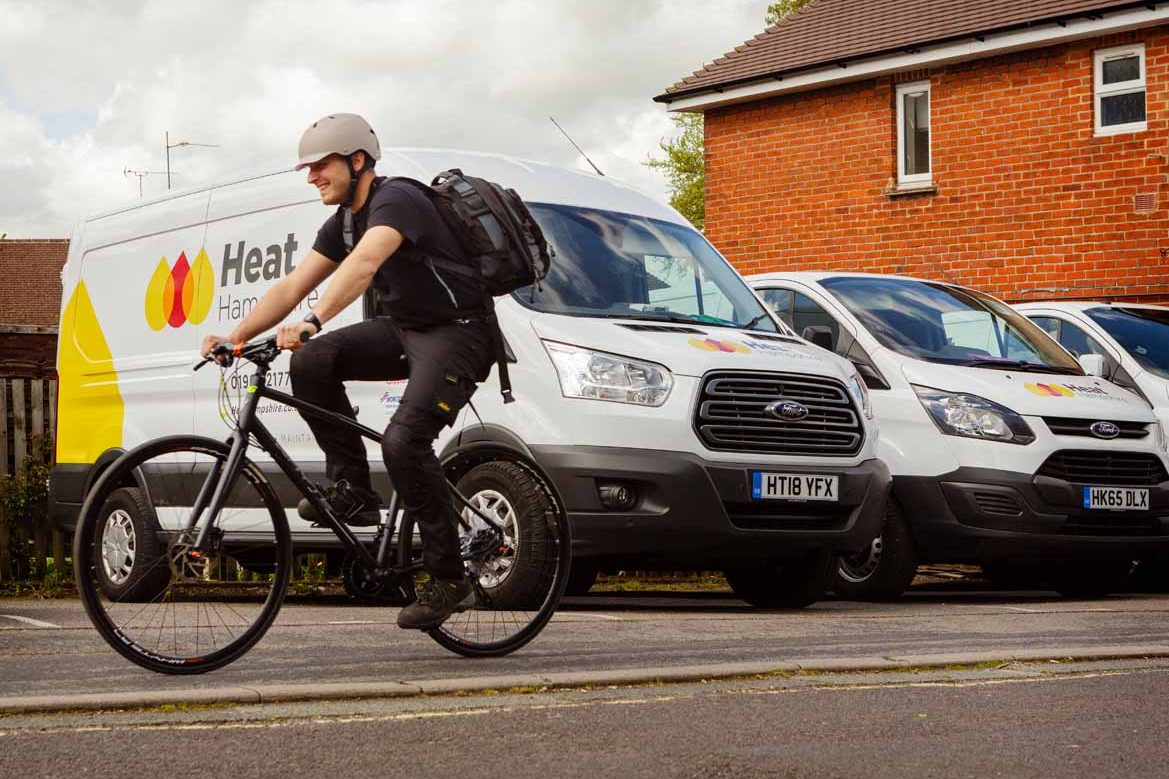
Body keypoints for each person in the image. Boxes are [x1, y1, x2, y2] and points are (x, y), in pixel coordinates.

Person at [200, 113, 493, 630]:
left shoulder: (397, 200)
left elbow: (362, 267)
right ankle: (354, 489)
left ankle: (450, 578)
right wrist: (237, 335)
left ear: (357, 161)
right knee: (311, 359)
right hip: (405, 330)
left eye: (320, 165)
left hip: (459, 333)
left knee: (404, 442)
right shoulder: (344, 220)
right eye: (307, 168)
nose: (312, 176)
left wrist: (313, 319)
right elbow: (292, 286)